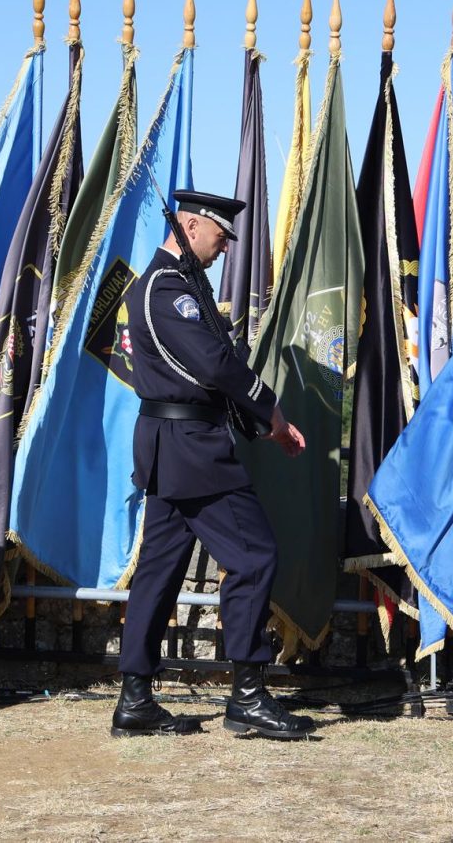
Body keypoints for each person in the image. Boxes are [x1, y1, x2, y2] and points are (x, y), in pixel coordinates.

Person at [112, 189, 313, 741]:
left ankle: (135, 698)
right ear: (192, 226)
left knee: (160, 569)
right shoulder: (167, 287)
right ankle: (247, 695)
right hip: (191, 447)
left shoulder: (174, 283)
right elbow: (213, 364)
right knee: (253, 556)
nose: (225, 250)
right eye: (221, 238)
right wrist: (270, 411)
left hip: (173, 444)